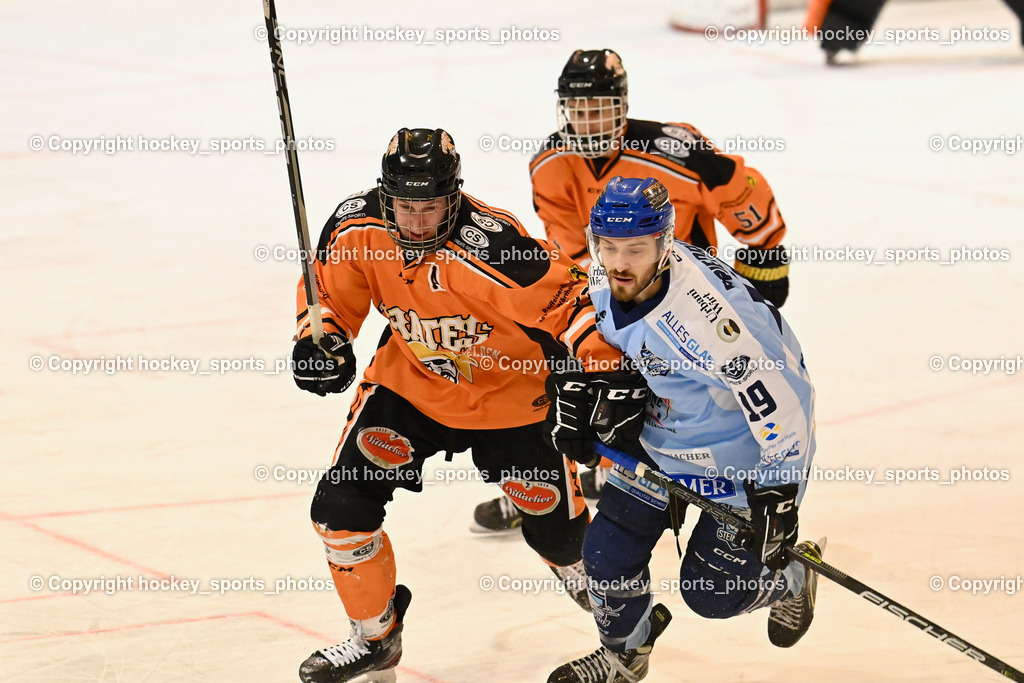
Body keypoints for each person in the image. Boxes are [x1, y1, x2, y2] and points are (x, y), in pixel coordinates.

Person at [292, 128, 630, 683]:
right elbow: (326, 292)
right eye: (406, 206)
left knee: (562, 540)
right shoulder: (357, 225)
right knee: (340, 512)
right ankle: (374, 637)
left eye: (431, 207)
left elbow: (574, 303)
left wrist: (600, 377)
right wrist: (319, 339)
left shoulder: (495, 246)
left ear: (454, 196)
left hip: (514, 396)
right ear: (387, 195)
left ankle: (625, 638)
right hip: (411, 386)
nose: (418, 221)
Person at [473, 48, 793, 531]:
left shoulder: (672, 150)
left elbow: (738, 186)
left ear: (622, 105)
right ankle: (548, 488)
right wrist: (591, 313)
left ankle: (677, 477)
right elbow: (569, 252)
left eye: (600, 107)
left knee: (689, 400)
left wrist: (762, 257)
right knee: (554, 372)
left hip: (684, 303)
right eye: (578, 110)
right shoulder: (549, 165)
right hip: (612, 293)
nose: (589, 121)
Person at [545, 176, 820, 682]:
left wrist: (780, 491)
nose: (620, 263)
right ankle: (625, 653)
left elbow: (788, 402)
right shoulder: (605, 277)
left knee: (713, 595)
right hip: (659, 445)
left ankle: (791, 579)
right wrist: (587, 394)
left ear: (664, 244)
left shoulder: (712, 321)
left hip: (739, 464)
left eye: (636, 249)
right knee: (606, 556)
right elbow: (613, 344)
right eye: (608, 247)